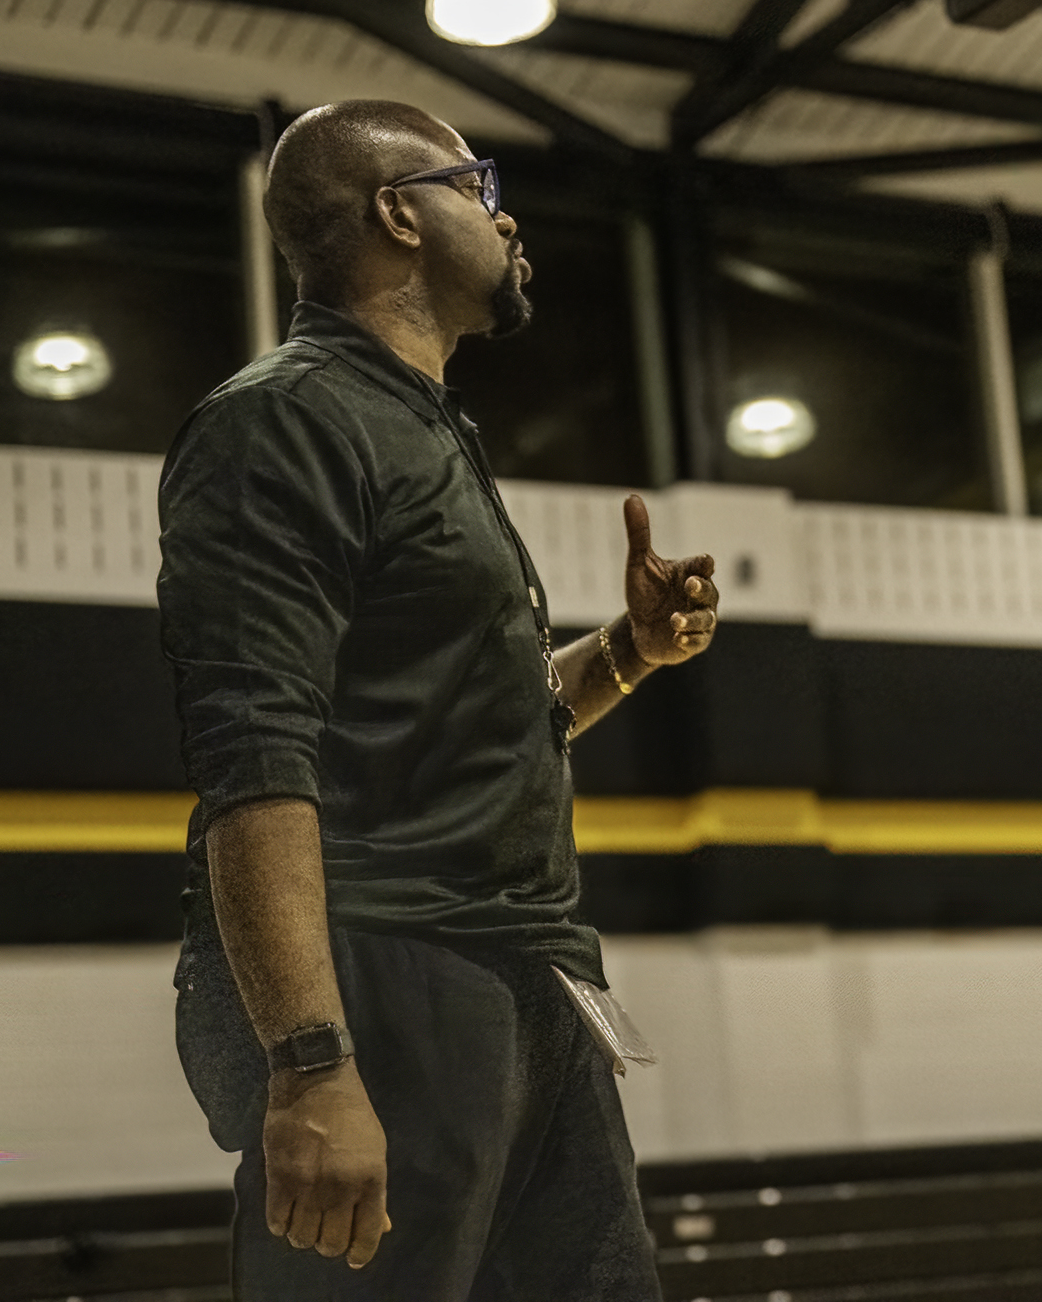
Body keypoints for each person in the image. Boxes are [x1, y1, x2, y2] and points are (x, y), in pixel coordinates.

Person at [158, 99, 717, 1299]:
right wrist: (310, 1062)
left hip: (536, 982)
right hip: (395, 983)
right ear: (398, 212)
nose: (509, 217)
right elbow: (257, 753)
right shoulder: (286, 419)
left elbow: (490, 719)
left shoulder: (430, 428)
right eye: (481, 183)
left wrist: (625, 651)